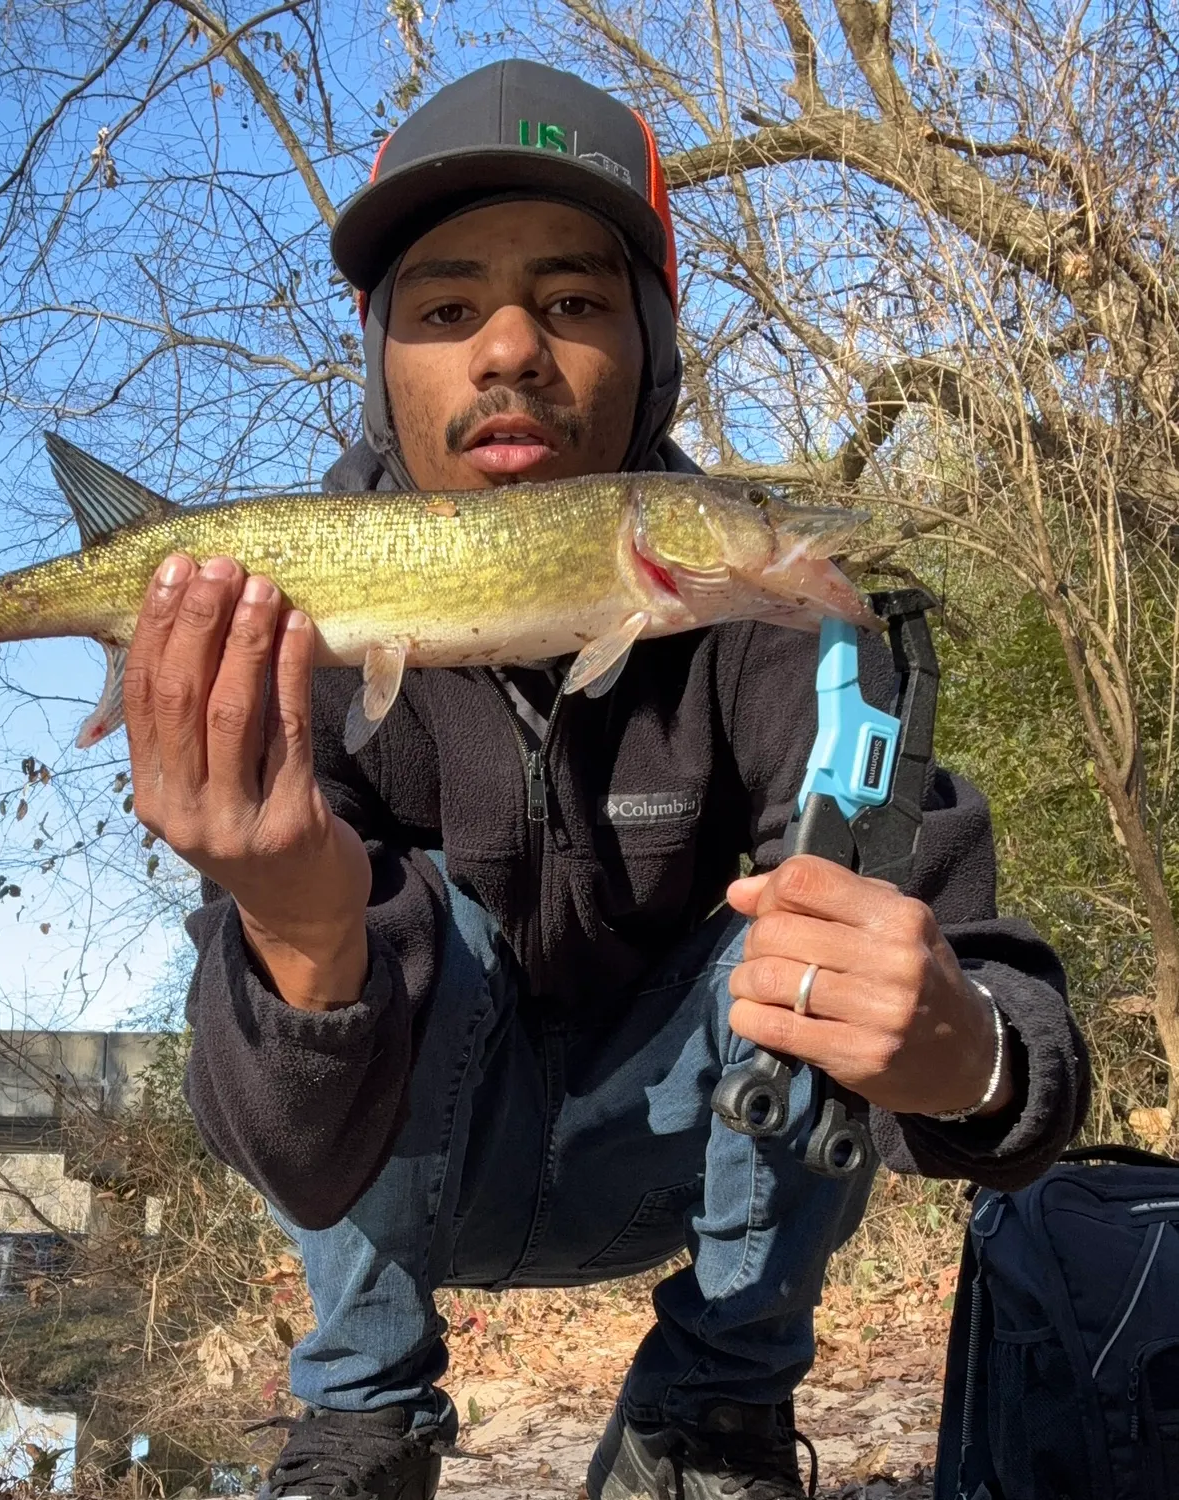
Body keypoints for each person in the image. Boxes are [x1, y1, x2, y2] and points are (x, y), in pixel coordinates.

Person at [122, 60, 1089, 1500]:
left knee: (811, 911)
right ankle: (362, 1411)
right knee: (373, 913)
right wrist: (302, 933)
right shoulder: (289, 626)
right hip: (408, 1156)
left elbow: (1009, 1019)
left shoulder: (786, 620)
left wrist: (967, 1054)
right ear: (381, 357)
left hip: (689, 1162)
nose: (509, 349)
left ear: (653, 349)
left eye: (573, 302)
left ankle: (712, 1411)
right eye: (446, 311)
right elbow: (276, 1138)